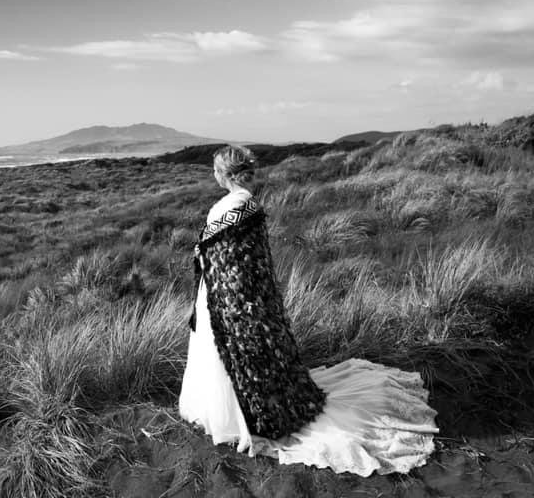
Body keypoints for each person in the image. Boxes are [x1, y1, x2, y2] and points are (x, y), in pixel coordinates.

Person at [178, 144, 439, 476]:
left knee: (234, 355)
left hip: (225, 294)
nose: (213, 175)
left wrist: (206, 259)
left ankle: (237, 414)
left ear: (223, 174)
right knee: (259, 354)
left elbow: (227, 256)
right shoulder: (249, 203)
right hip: (246, 291)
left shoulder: (231, 206)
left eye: (215, 170)